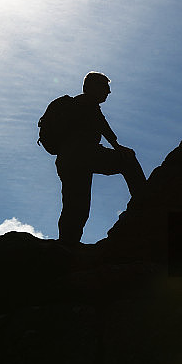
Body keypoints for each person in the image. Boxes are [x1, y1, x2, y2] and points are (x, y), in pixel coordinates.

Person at [54, 72, 146, 246]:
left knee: (75, 204)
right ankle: (144, 199)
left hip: (68, 159)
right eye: (105, 87)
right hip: (83, 155)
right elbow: (102, 125)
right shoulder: (87, 103)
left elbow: (99, 125)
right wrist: (117, 147)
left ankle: (66, 243)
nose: (108, 92)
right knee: (127, 160)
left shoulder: (79, 104)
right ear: (93, 87)